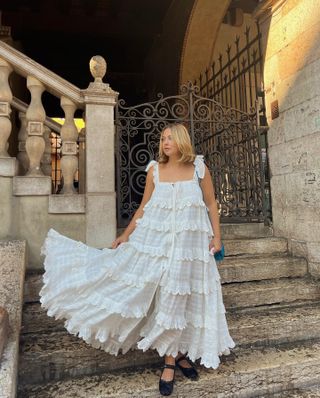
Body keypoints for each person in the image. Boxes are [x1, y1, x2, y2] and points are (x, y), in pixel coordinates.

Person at [39, 123, 235, 396]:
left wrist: (218, 238)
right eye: (163, 138)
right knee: (168, 296)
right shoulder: (155, 170)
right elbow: (144, 207)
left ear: (182, 141)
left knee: (184, 298)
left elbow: (212, 204)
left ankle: (177, 353)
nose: (165, 142)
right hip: (157, 245)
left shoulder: (199, 169)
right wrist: (126, 235)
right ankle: (171, 360)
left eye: (170, 138)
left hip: (191, 247)